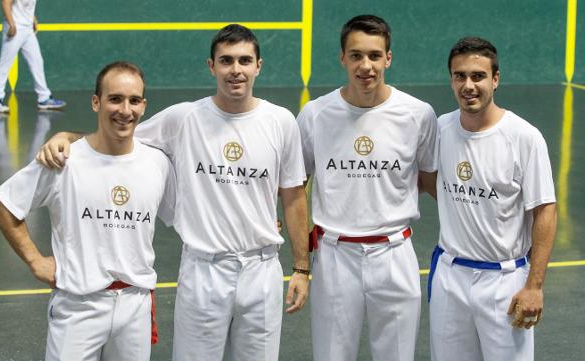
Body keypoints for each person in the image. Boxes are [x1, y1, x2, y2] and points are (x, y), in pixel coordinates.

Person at [36, 24, 310, 361]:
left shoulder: (281, 121)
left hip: (263, 271)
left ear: (258, 66)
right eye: (226, 61)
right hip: (203, 271)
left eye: (243, 60)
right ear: (212, 66)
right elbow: (120, 139)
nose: (235, 70)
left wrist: (301, 268)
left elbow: (294, 194)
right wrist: (67, 134)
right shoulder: (184, 118)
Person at [0, 61, 176, 360]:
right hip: (77, 308)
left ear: (143, 105)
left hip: (135, 306)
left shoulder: (158, 164)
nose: (125, 110)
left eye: (134, 100)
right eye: (115, 99)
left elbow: (193, 215)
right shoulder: (63, 160)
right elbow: (3, 204)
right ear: (96, 102)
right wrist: (35, 260)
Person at [297, 15, 437, 361]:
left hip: (395, 254)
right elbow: (296, 187)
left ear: (388, 58)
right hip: (333, 256)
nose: (366, 66)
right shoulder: (315, 114)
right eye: (356, 55)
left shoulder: (418, 114)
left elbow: (430, 180)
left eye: (375, 55)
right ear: (342, 58)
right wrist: (301, 262)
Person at [427, 37, 557, 361]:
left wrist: (534, 286)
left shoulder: (524, 137)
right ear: (451, 79)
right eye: (460, 76)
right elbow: (423, 179)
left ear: (495, 79)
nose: (468, 85)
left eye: (478, 76)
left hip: (505, 284)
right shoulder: (439, 129)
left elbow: (545, 211)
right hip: (449, 277)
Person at [0, 0, 66, 113]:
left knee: (37, 62)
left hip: (28, 29)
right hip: (15, 28)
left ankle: (44, 98)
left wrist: (33, 19)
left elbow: (26, 6)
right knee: (5, 64)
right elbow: (5, 2)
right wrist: (11, 24)